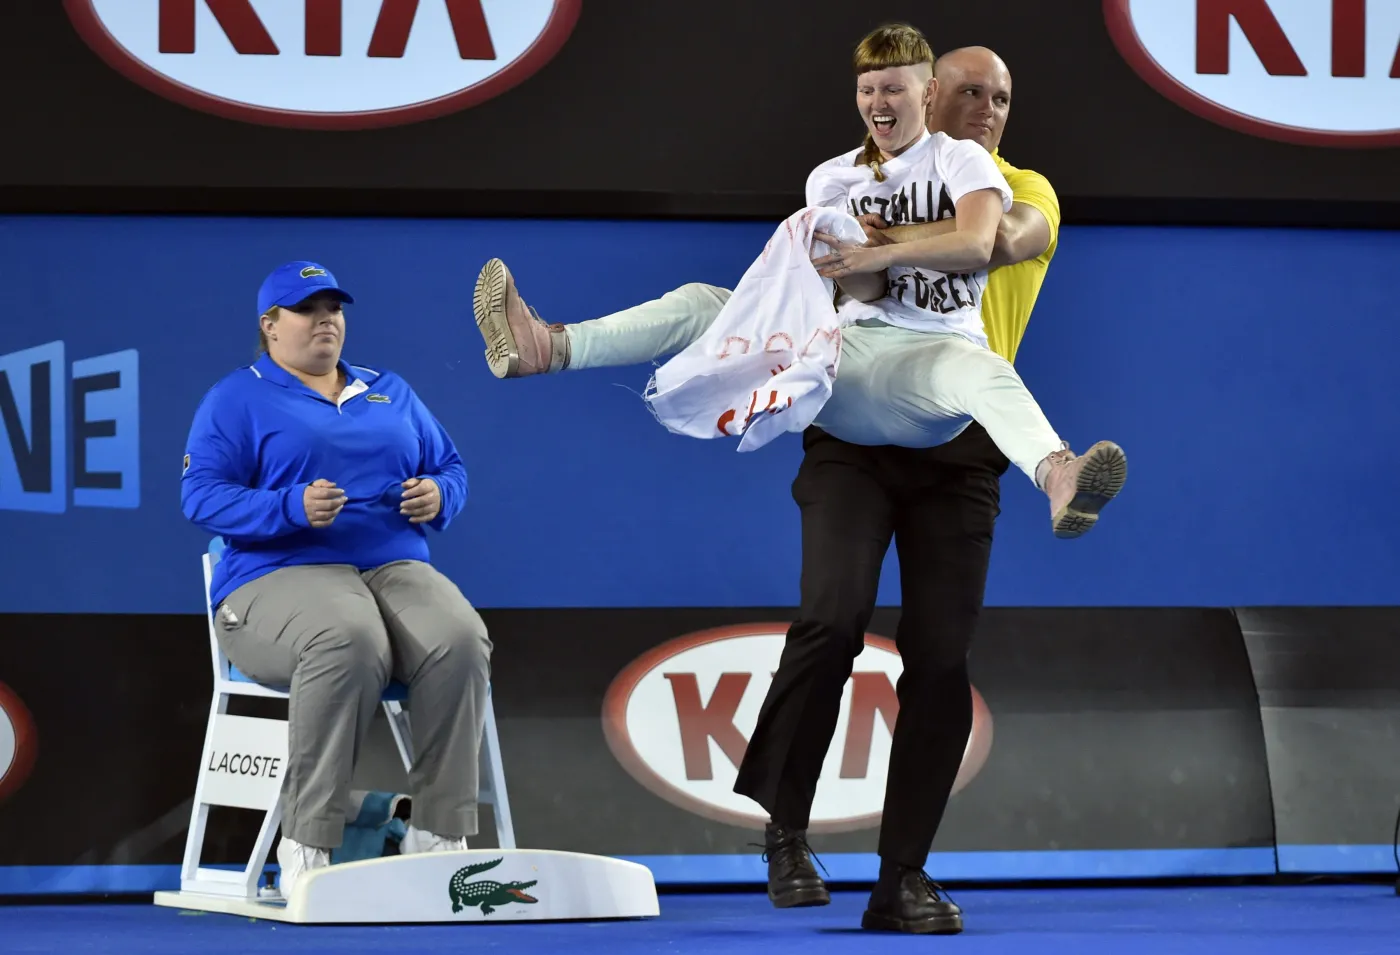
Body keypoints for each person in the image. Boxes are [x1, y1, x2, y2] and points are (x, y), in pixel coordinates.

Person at [473, 29, 1112, 934]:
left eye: (999, 98)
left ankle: (904, 878)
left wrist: (889, 248)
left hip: (961, 439)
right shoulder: (848, 178)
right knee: (829, 617)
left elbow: (1003, 237)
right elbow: (820, 282)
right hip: (853, 427)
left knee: (939, 657)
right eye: (967, 93)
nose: (984, 110)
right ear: (925, 97)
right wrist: (844, 262)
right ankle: (783, 829)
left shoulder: (1010, 181)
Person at [181, 261, 491, 898]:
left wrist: (439, 495)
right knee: (347, 637)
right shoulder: (236, 397)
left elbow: (451, 467)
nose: (326, 319)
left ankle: (438, 838)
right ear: (270, 326)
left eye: (335, 308)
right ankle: (307, 842)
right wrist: (288, 507)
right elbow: (200, 497)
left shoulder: (390, 389)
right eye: (306, 308)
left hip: (392, 566)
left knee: (458, 638)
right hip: (277, 573)